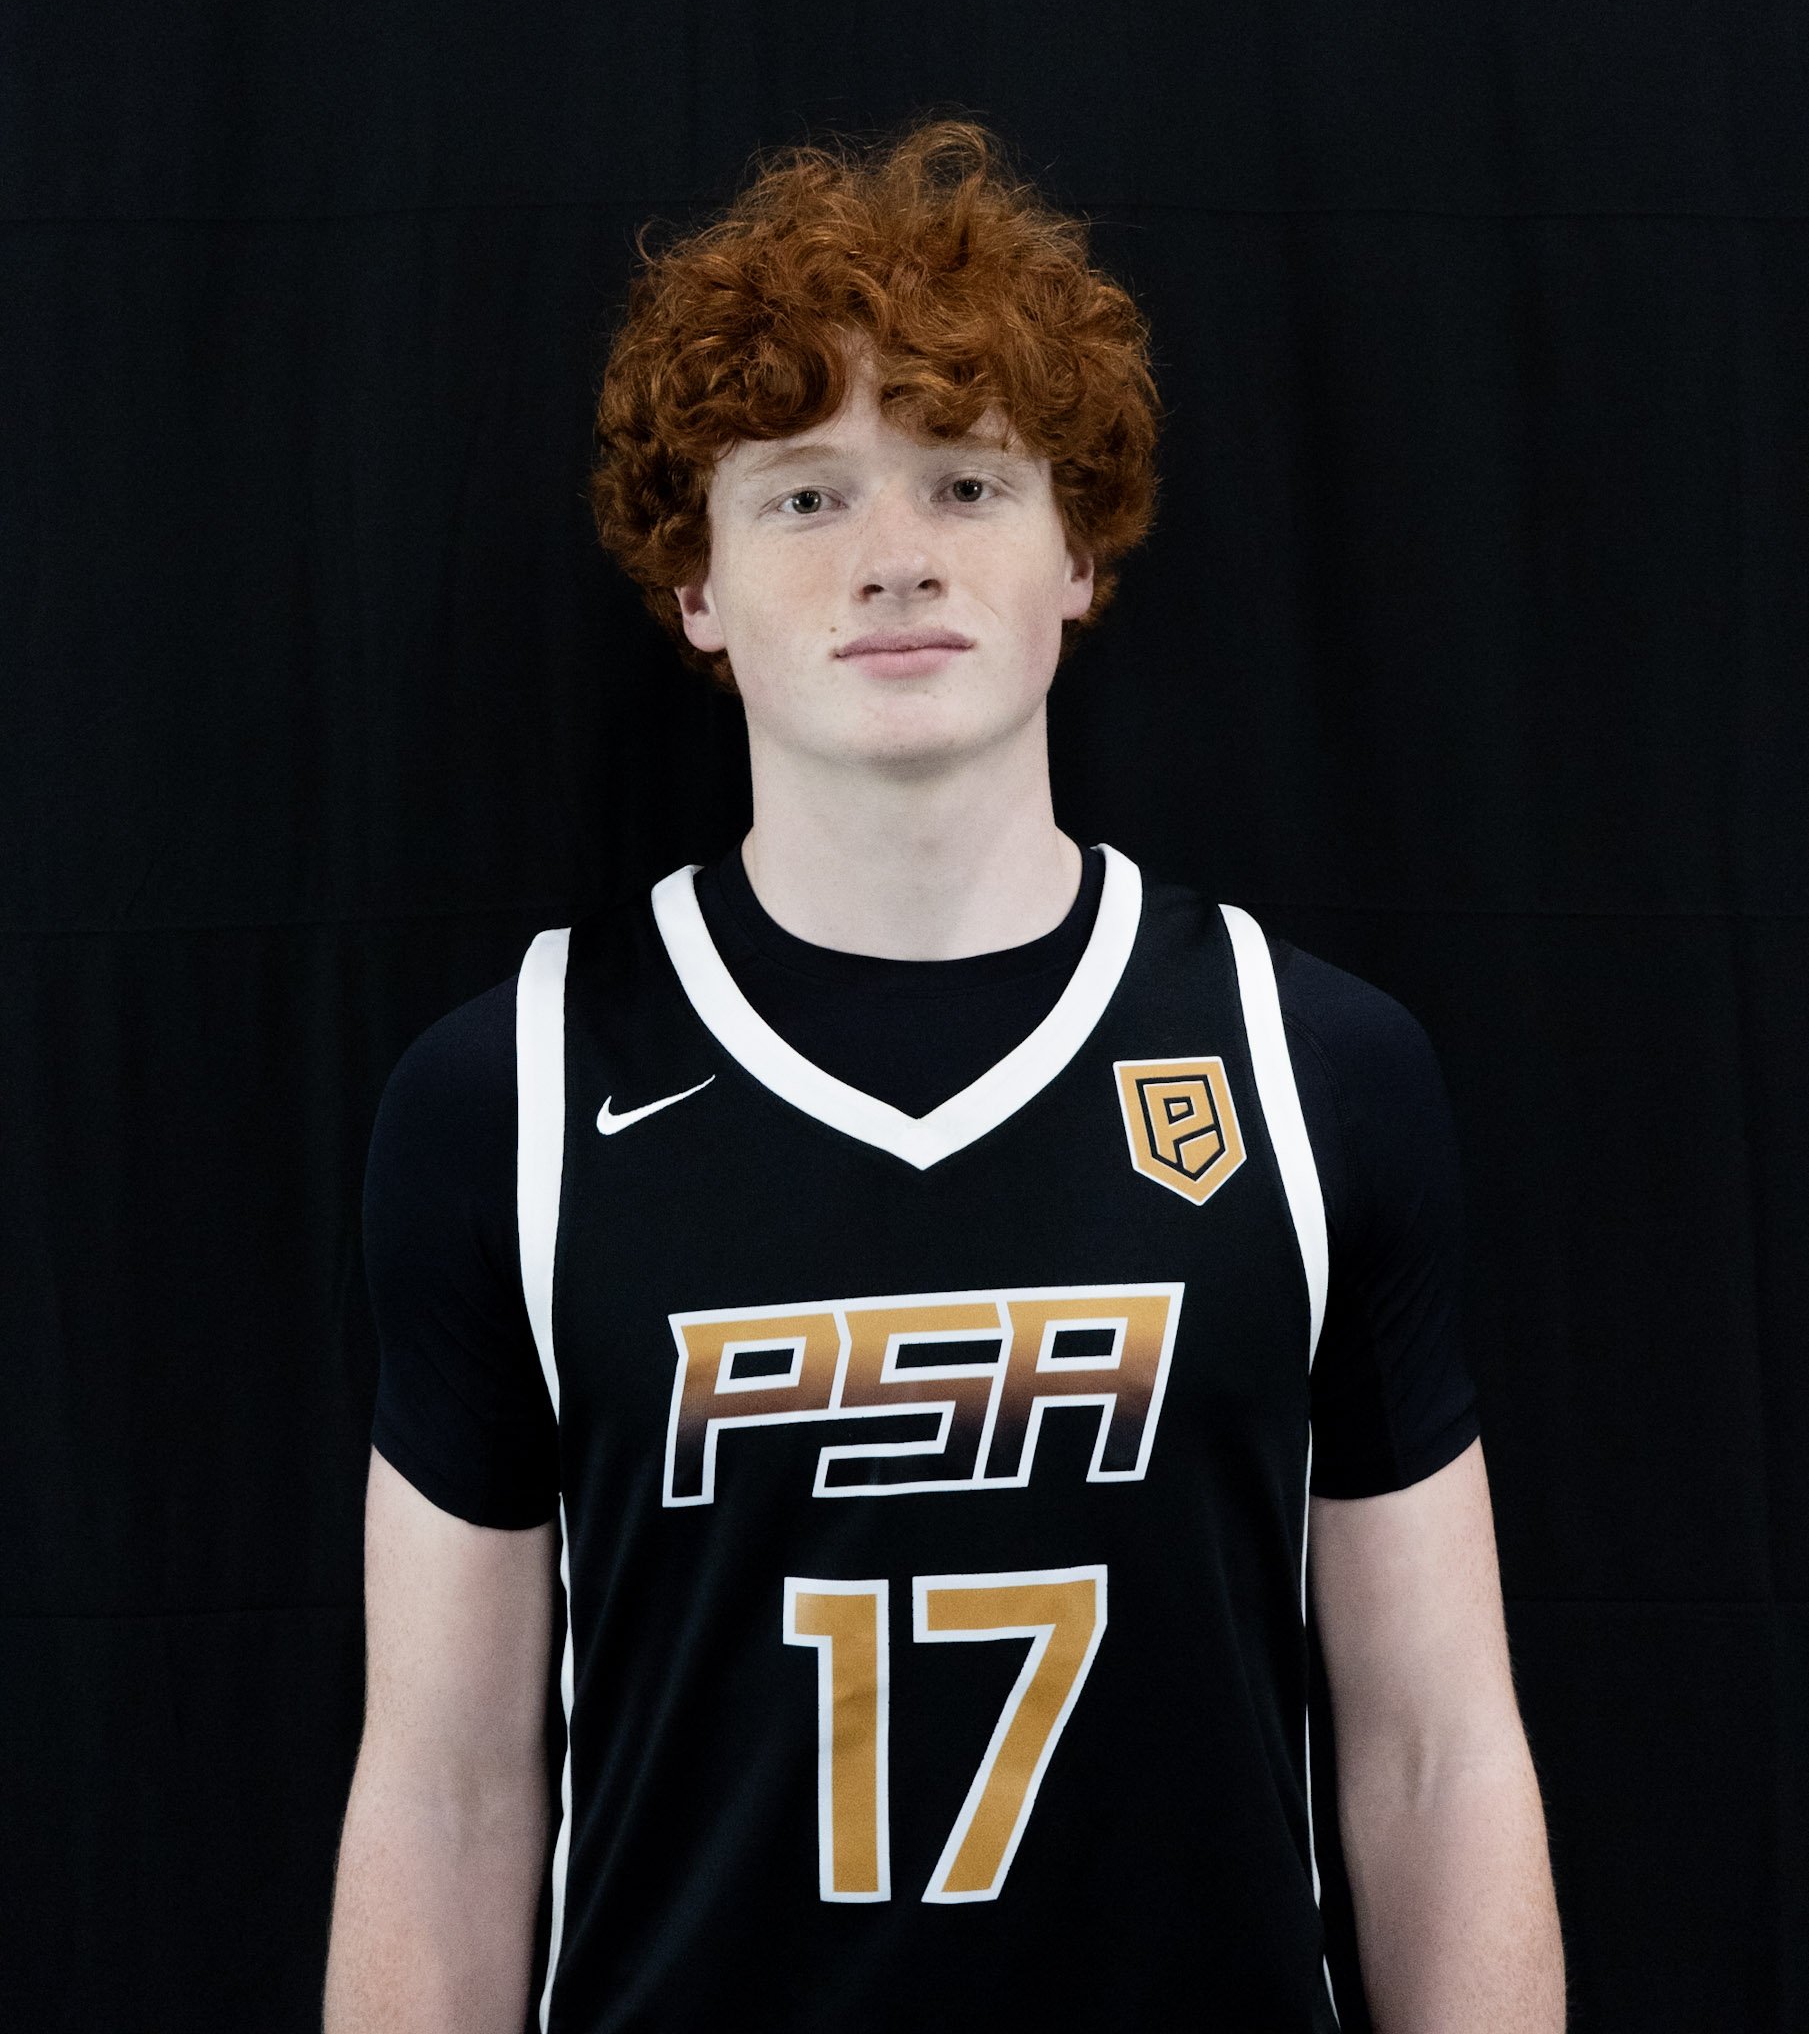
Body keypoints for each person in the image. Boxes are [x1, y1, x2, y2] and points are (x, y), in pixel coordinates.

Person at [324, 117, 1565, 2033]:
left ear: (1078, 551)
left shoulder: (1311, 1063)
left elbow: (1433, 1751)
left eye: (966, 483)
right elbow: (449, 1788)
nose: (894, 560)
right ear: (695, 586)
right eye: (804, 498)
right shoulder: (507, 1096)